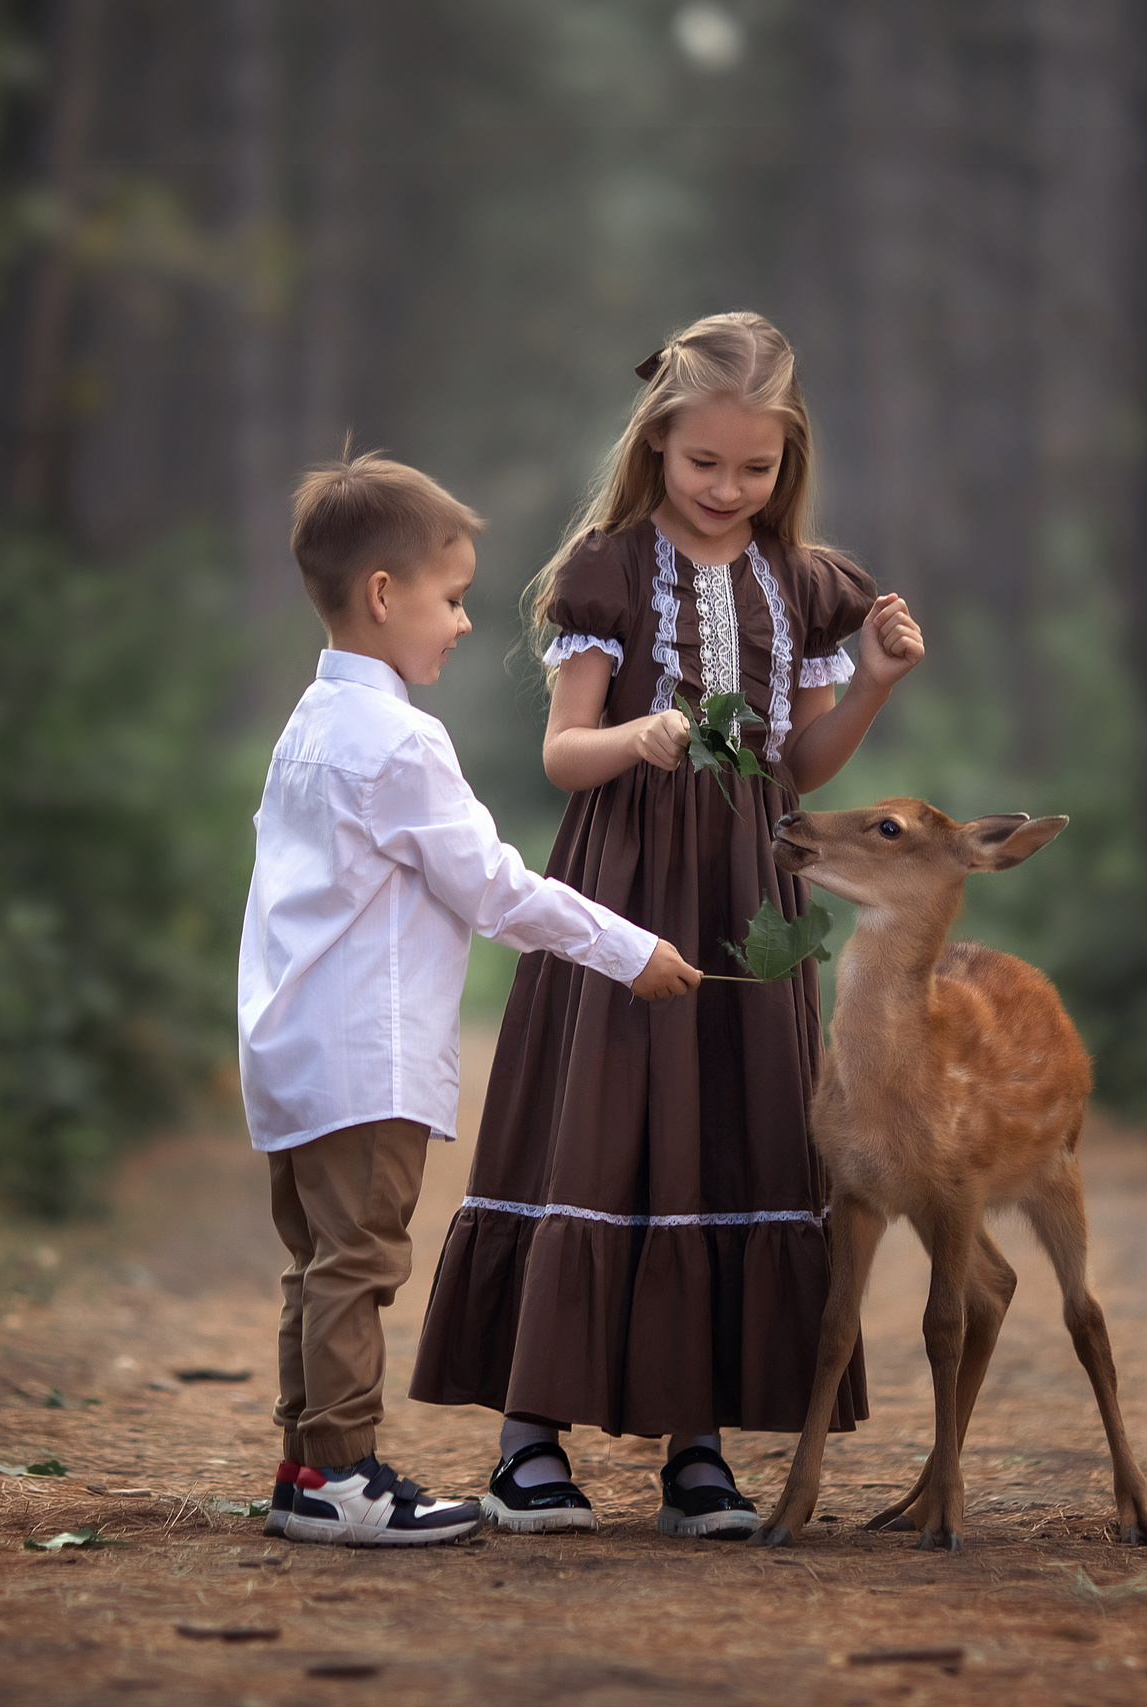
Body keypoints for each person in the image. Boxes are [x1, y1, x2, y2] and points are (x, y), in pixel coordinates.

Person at [409, 311, 926, 1539]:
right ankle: (528, 1439)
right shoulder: (606, 570)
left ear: (786, 464)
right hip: (621, 886)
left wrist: (880, 683)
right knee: (599, 1119)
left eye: (755, 470)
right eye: (704, 464)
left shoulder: (804, 586)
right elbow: (560, 756)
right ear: (657, 447)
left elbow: (796, 771)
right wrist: (635, 738)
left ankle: (696, 1445)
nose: (727, 489)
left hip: (747, 890)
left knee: (721, 1129)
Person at [239, 450, 702, 1548]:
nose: (459, 624)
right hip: (365, 1056)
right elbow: (494, 887)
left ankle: (306, 1462)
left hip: (292, 1049)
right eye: (450, 600)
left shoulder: (309, 726)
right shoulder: (400, 741)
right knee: (359, 1265)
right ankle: (341, 1475)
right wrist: (628, 948)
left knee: (319, 1267)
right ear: (384, 595)